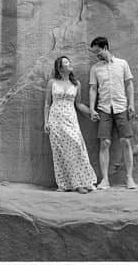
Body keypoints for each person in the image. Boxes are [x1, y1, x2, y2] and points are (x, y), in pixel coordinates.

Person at [88, 36, 136, 189]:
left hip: (121, 106)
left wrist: (131, 104)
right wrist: (91, 108)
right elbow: (93, 89)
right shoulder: (95, 68)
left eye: (98, 52)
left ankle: (129, 178)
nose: (97, 56)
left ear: (105, 48)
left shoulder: (122, 64)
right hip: (104, 109)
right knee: (105, 143)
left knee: (125, 141)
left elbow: (129, 84)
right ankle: (105, 180)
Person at [43, 56, 96, 193]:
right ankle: (65, 185)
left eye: (69, 62)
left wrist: (91, 112)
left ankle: (82, 182)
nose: (70, 64)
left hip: (71, 119)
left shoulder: (76, 83)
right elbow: (47, 104)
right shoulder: (52, 82)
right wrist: (46, 122)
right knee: (60, 152)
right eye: (66, 62)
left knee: (78, 147)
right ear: (60, 67)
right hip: (55, 120)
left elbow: (78, 104)